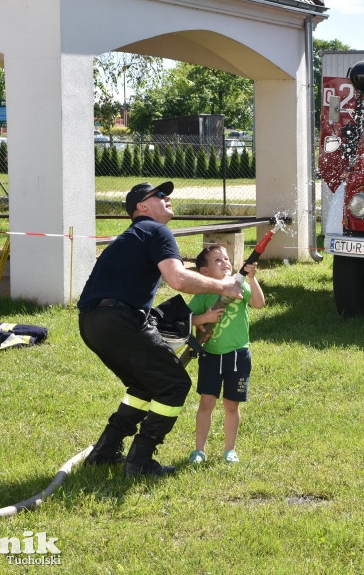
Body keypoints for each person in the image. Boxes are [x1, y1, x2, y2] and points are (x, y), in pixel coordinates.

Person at [77, 181, 244, 476]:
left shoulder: (132, 236)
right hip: (118, 319)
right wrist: (224, 286)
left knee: (144, 384)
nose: (168, 198)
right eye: (159, 195)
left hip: (91, 323)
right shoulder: (156, 230)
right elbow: (177, 279)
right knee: (174, 383)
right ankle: (139, 461)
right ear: (142, 207)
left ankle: (103, 452)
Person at [187, 244, 265, 466]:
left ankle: (230, 450)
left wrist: (252, 279)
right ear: (204, 272)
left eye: (227, 259)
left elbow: (259, 304)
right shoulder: (203, 294)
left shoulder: (239, 286)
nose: (226, 263)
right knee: (206, 403)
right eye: (217, 260)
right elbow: (188, 319)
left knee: (232, 405)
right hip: (211, 356)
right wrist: (205, 319)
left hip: (238, 355)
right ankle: (199, 450)